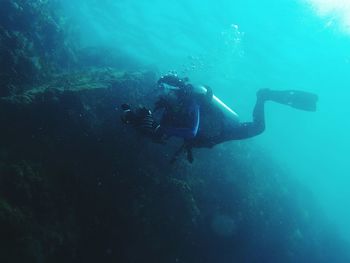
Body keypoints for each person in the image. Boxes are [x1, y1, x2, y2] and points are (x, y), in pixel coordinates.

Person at [121, 74, 318, 163]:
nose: (161, 94)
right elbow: (160, 133)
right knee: (258, 129)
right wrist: (137, 121)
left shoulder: (192, 102)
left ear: (174, 90)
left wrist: (162, 129)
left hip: (224, 130)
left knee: (259, 128)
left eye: (164, 90)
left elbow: (191, 131)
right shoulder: (169, 109)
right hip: (214, 136)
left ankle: (263, 96)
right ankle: (264, 97)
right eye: (159, 90)